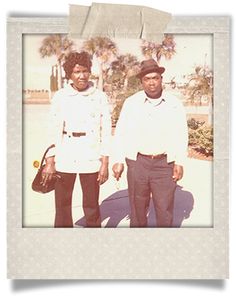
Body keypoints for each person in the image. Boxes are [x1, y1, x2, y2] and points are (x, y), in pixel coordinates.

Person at [112, 59, 188, 227]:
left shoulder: (174, 104)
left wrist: (180, 162)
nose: (152, 82)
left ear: (161, 79)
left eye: (155, 78)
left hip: (164, 165)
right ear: (141, 82)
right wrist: (117, 160)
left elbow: (181, 134)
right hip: (138, 163)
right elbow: (120, 133)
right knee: (137, 209)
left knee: (164, 209)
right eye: (147, 79)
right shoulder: (131, 103)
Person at [42, 51, 111, 228]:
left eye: (85, 71)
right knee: (62, 204)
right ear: (69, 74)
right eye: (77, 72)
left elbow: (106, 131)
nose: (82, 76)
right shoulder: (61, 97)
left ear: (90, 71)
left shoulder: (99, 96)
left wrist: (104, 162)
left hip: (91, 153)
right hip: (66, 153)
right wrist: (50, 161)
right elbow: (51, 129)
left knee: (91, 204)